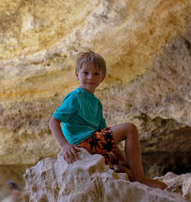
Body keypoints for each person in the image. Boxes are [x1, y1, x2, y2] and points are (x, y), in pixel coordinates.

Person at [49, 50, 167, 190]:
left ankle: (127, 173)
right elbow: (53, 122)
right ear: (77, 75)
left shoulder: (97, 103)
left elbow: (106, 136)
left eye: (96, 74)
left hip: (92, 145)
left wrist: (124, 160)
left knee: (119, 161)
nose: (90, 77)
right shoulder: (75, 97)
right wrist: (64, 145)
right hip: (81, 145)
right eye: (85, 73)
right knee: (130, 128)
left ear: (102, 78)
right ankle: (140, 178)